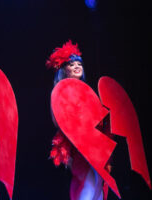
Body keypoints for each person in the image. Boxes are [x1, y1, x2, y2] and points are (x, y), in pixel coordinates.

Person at [46, 41, 109, 200]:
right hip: (78, 146)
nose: (76, 66)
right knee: (86, 185)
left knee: (98, 187)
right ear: (64, 70)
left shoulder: (88, 92)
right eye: (71, 64)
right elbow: (59, 120)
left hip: (95, 146)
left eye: (78, 63)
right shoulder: (61, 92)